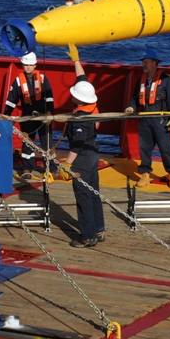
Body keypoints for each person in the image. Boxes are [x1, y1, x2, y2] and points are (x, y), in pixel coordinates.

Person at [59, 44, 105, 248]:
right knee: (94, 192)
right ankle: (99, 229)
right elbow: (82, 81)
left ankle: (88, 236)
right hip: (94, 152)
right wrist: (76, 60)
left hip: (83, 158)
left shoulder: (80, 118)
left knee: (83, 195)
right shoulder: (92, 105)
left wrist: (67, 165)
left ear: (77, 97)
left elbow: (76, 145)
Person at [125, 48, 170, 189]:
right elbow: (136, 97)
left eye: (147, 62)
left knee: (165, 148)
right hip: (144, 119)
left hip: (160, 120)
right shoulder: (141, 80)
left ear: (155, 63)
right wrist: (131, 107)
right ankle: (145, 174)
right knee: (144, 148)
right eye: (143, 62)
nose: (144, 64)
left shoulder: (166, 80)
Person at [3, 51, 55, 179]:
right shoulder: (18, 81)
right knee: (27, 143)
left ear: (35, 65)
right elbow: (11, 100)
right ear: (22, 65)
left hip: (43, 115)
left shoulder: (43, 79)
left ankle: (51, 168)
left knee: (46, 143)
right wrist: (6, 115)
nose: (28, 67)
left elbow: (49, 98)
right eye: (26, 65)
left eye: (30, 65)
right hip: (27, 115)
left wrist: (49, 113)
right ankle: (27, 168)